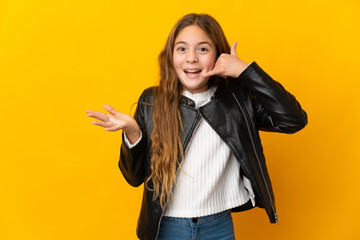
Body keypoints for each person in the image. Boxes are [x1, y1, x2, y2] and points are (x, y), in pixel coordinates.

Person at [86, 13, 307, 240]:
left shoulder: (237, 100)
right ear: (171, 56)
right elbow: (133, 177)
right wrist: (133, 134)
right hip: (167, 229)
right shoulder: (152, 101)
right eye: (182, 49)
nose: (191, 58)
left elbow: (293, 120)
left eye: (202, 49)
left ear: (218, 56)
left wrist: (244, 70)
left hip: (219, 227)